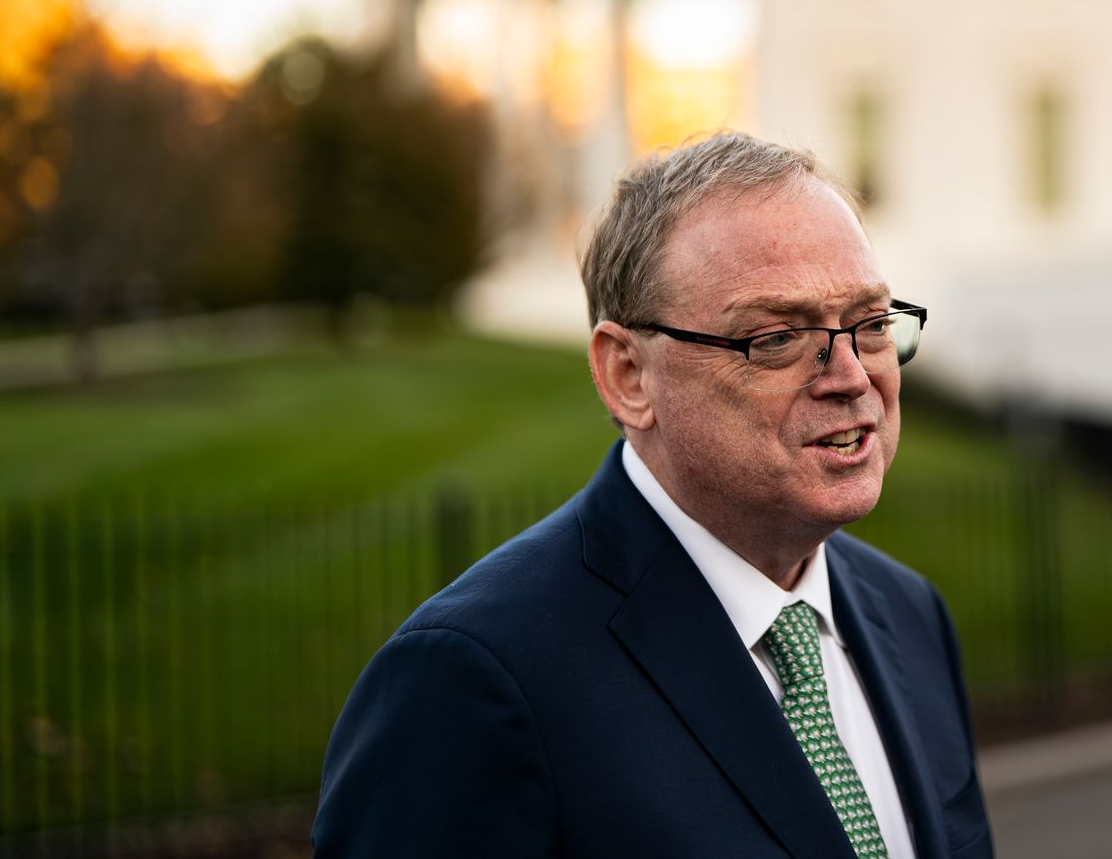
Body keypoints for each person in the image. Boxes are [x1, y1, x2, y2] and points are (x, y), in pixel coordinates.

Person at [314, 133, 993, 858]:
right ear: (629, 376)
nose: (852, 376)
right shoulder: (474, 681)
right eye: (775, 339)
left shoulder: (911, 614)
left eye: (871, 324)